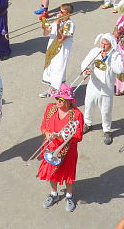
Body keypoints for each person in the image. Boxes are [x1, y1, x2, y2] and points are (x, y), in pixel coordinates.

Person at [38, 84, 84, 213]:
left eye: (61, 99)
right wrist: (47, 134)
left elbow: (78, 136)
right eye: (57, 98)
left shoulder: (76, 114)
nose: (57, 101)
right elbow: (43, 126)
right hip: (51, 147)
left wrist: (62, 136)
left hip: (68, 150)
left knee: (68, 174)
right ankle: (54, 193)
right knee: (51, 173)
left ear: (69, 101)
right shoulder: (50, 108)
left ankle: (69, 195)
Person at [77, 32, 124, 145]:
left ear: (111, 45)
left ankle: (107, 130)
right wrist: (86, 70)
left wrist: (109, 59)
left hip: (106, 89)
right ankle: (88, 123)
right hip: (93, 86)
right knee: (88, 105)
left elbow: (119, 70)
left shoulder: (116, 55)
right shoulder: (95, 51)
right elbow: (85, 62)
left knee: (106, 110)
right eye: (102, 43)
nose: (103, 46)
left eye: (106, 44)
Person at [41, 3, 75, 97]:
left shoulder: (70, 24)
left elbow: (61, 39)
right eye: (60, 11)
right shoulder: (56, 20)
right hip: (52, 49)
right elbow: (46, 33)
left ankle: (57, 92)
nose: (59, 13)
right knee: (51, 68)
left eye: (62, 12)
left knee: (58, 69)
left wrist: (58, 25)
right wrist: (45, 26)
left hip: (61, 51)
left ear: (68, 13)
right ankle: (51, 90)